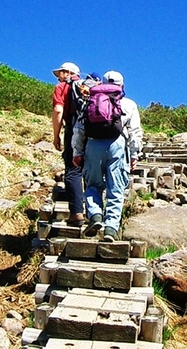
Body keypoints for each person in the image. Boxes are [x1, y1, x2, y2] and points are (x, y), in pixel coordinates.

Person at [71, 70, 143, 242]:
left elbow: (78, 129)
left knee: (92, 184)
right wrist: (134, 155)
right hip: (117, 144)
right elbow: (136, 132)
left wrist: (77, 152)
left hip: (93, 145)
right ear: (122, 85)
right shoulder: (129, 104)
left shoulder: (90, 101)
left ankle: (95, 215)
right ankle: (110, 229)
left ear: (101, 84)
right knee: (116, 188)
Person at [51, 62, 86, 226]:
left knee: (73, 170)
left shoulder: (61, 88)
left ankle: (77, 213)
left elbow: (58, 110)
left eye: (60, 73)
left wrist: (56, 135)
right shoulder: (87, 86)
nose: (58, 77)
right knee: (90, 171)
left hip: (73, 128)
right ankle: (96, 214)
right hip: (92, 130)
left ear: (67, 73)